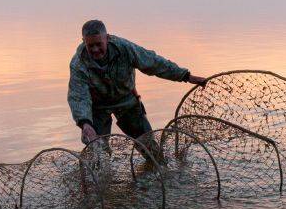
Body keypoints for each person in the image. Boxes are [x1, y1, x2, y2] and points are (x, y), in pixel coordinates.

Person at [67, 20, 206, 153]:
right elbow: (78, 96)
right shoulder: (78, 63)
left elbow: (154, 63)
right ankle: (103, 174)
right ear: (83, 41)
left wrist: (185, 76)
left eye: (98, 44)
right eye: (90, 46)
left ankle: (156, 169)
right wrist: (85, 123)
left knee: (149, 147)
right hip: (98, 108)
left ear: (107, 38)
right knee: (97, 152)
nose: (95, 49)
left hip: (127, 101)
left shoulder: (125, 48)